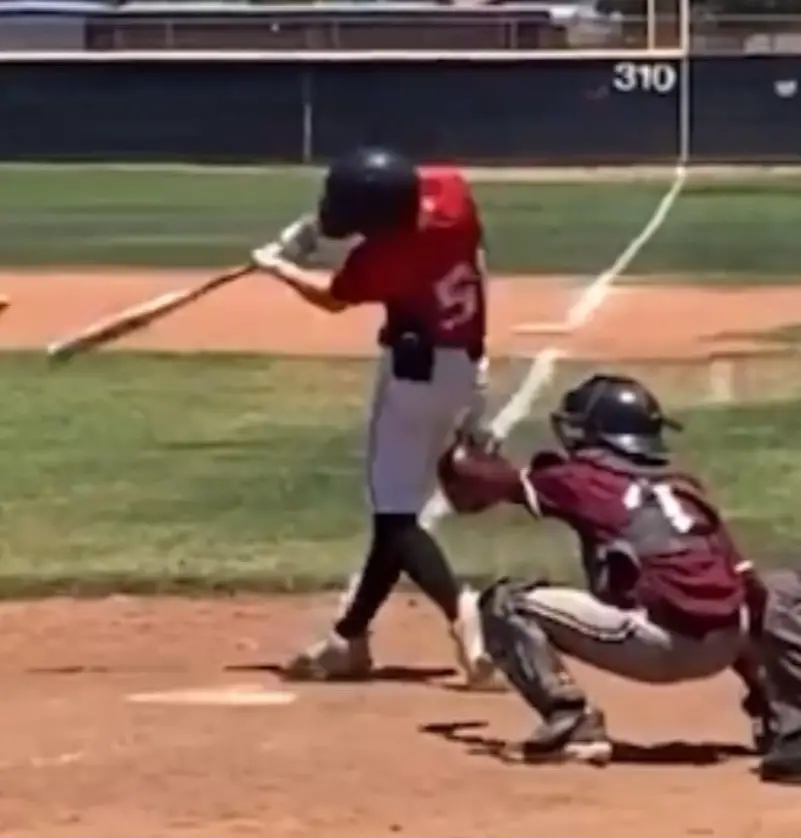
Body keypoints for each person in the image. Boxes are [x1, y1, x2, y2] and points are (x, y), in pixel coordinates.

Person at [251, 147, 491, 685]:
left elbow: (331, 298)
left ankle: (461, 608)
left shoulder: (383, 259)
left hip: (413, 382)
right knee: (396, 518)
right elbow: (389, 194)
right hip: (464, 371)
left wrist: (278, 266)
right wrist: (311, 230)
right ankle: (350, 640)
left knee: (395, 518)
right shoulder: (453, 197)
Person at [437, 373, 769, 763]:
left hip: (658, 645)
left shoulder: (584, 480)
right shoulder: (684, 487)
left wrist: (468, 451)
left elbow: (474, 478)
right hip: (727, 645)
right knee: (735, 593)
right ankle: (780, 717)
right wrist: (764, 683)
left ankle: (570, 722)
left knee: (505, 603)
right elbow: (753, 590)